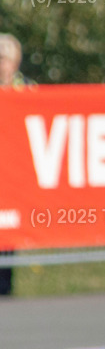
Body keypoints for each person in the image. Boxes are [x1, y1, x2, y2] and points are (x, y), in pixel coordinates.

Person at [1, 33, 31, 296]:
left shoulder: (27, 89)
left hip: (15, 173)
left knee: (9, 230)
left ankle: (6, 286)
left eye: (5, 59)